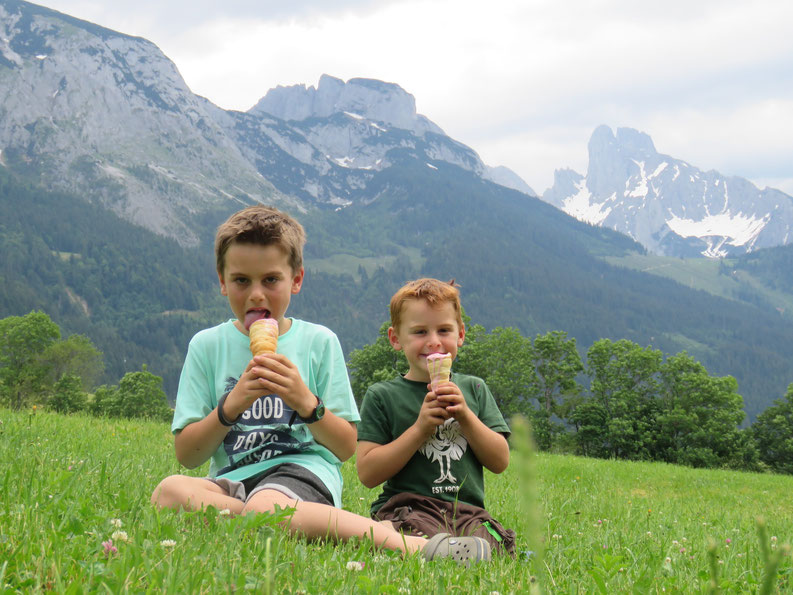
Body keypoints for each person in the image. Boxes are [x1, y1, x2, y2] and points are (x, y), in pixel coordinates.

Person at [150, 206, 490, 564]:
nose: (256, 296)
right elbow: (188, 455)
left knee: (268, 507)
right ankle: (303, 523)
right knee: (168, 492)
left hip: (304, 474)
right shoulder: (206, 346)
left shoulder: (318, 342)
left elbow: (344, 447)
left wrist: (305, 401)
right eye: (240, 281)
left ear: (296, 280)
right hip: (233, 481)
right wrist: (231, 405)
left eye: (270, 280)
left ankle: (412, 547)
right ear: (222, 281)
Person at [356, 278, 516, 554]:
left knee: (493, 543)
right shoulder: (382, 395)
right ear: (396, 339)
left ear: (460, 335)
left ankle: (456, 548)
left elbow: (500, 461)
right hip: (410, 506)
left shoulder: (474, 389)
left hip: (467, 511)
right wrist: (420, 429)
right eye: (419, 332)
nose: (434, 342)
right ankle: (428, 546)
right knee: (411, 533)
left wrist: (466, 416)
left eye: (444, 330)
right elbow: (368, 474)